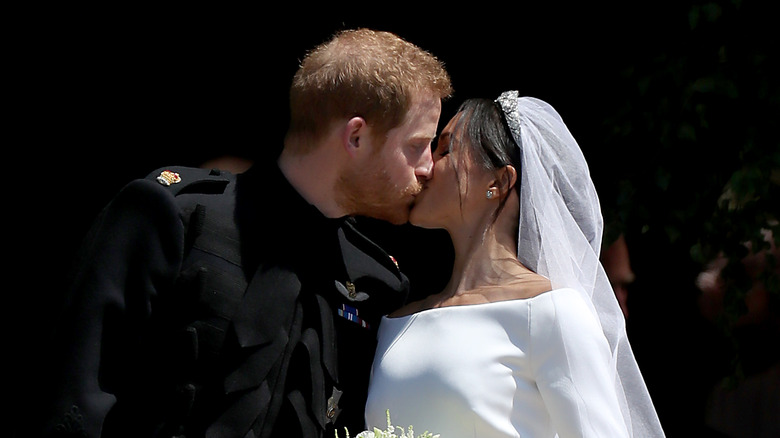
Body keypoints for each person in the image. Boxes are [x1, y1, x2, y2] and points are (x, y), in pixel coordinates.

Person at [30, 28, 452, 438]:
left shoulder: (377, 282)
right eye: (417, 145)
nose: (427, 169)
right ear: (356, 136)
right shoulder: (176, 216)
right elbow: (74, 397)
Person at [364, 92, 665, 437]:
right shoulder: (397, 321)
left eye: (445, 150)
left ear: (498, 182)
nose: (427, 166)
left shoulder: (552, 313)